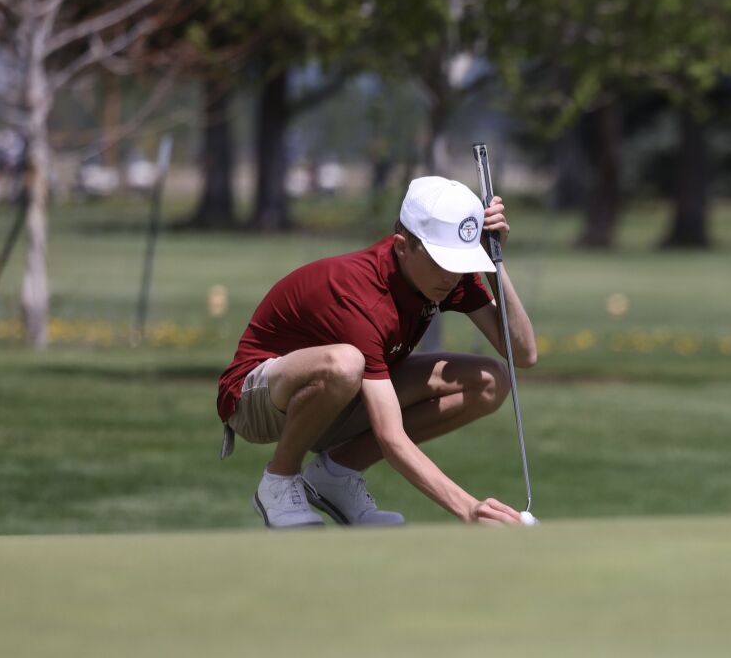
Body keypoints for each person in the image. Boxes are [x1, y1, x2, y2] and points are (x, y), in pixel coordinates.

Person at [216, 176, 536, 528]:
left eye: (461, 262)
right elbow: (390, 437)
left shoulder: (448, 278)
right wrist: (469, 509)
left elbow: (522, 354)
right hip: (254, 398)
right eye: (441, 261)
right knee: (346, 364)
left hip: (337, 397)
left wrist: (494, 262)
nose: (451, 276)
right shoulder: (361, 295)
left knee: (491, 381)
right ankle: (279, 479)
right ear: (402, 246)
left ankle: (335, 475)